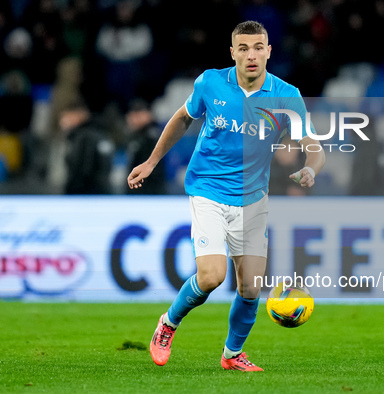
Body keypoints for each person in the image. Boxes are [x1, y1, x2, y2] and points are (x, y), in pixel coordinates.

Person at [127, 21, 325, 372]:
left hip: (252, 198)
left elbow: (314, 148)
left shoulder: (286, 95)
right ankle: (168, 324)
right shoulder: (211, 82)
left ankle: (232, 355)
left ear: (269, 51)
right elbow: (181, 119)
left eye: (258, 47)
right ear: (232, 52)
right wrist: (152, 160)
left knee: (250, 286)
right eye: (244, 48)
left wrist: (310, 168)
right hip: (208, 189)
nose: (252, 55)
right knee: (212, 276)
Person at [60, 99, 113, 194]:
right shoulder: (101, 133)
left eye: (65, 117)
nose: (62, 122)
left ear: (77, 116)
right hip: (101, 193)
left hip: (85, 196)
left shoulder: (83, 137)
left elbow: (82, 171)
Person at [124, 99, 166, 195]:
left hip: (148, 193)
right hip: (139, 192)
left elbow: (154, 172)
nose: (130, 119)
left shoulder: (152, 136)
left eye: (134, 115)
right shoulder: (136, 136)